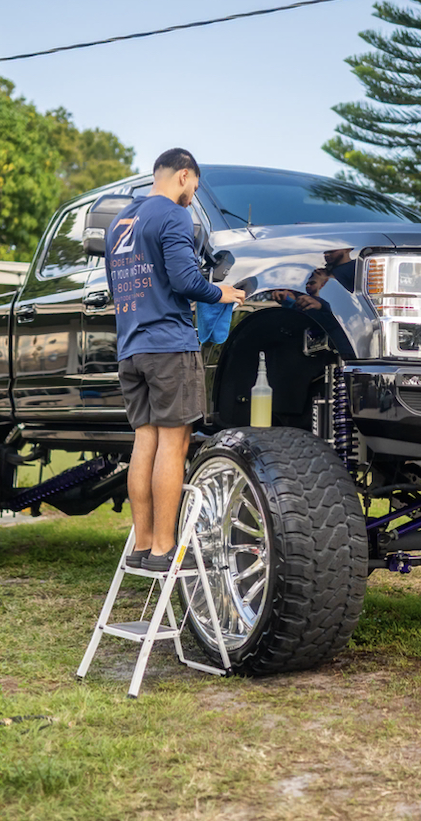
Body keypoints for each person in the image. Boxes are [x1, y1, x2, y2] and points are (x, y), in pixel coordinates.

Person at [105, 148, 246, 572]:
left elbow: (118, 289)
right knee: (174, 441)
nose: (191, 198)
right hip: (168, 346)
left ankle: (143, 544)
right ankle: (166, 550)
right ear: (183, 175)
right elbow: (185, 280)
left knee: (144, 440)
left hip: (131, 347)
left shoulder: (119, 223)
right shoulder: (172, 214)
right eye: (194, 189)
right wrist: (224, 292)